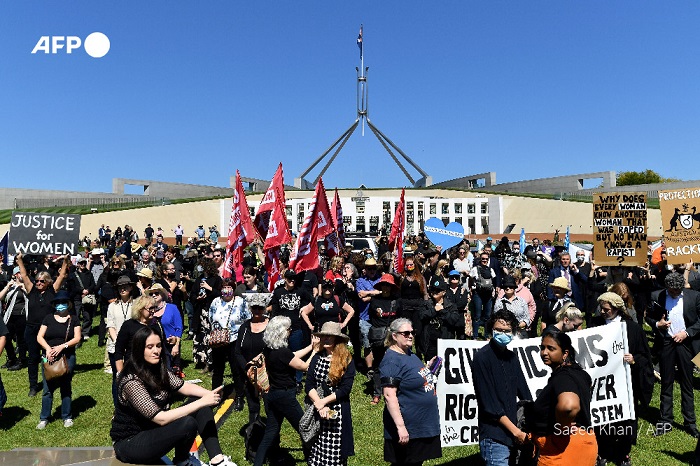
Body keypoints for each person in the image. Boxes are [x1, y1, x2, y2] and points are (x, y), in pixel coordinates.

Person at [111, 326, 236, 466]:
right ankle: (182, 461)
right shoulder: (131, 381)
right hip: (130, 442)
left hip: (151, 430)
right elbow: (161, 419)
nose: (156, 351)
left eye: (158, 346)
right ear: (139, 350)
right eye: (150, 347)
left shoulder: (158, 369)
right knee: (188, 422)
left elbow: (184, 386)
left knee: (199, 403)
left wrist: (209, 394)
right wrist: (202, 402)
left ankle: (217, 460)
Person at [593, 292, 654, 466]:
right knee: (603, 419)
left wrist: (634, 360)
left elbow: (645, 356)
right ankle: (603, 451)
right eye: (601, 309)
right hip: (602, 383)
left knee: (624, 420)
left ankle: (623, 454)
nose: (603, 312)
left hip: (626, 384)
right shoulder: (595, 324)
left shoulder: (632, 328)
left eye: (606, 309)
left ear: (616, 309)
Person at [253, 316, 319, 466]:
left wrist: (310, 347)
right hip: (285, 397)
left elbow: (292, 357)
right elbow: (305, 367)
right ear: (282, 332)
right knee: (305, 429)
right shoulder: (282, 352)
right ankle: (313, 459)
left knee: (270, 433)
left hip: (272, 396)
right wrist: (314, 352)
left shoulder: (270, 349)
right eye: (288, 329)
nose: (290, 331)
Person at [527, 330, 597, 465]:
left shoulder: (563, 377)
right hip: (585, 442)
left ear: (565, 353)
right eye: (542, 348)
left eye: (551, 348)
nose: (544, 353)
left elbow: (569, 406)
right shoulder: (581, 374)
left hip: (561, 450)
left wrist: (561, 430)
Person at [472, 310, 532, 465]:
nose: (503, 333)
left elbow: (525, 394)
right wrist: (516, 432)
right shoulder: (482, 358)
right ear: (492, 329)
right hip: (495, 435)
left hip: (516, 434)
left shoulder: (512, 358)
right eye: (499, 330)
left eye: (507, 331)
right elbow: (490, 405)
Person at [379, 318, 441, 466]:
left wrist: (428, 368)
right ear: (394, 336)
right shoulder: (391, 361)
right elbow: (389, 395)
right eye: (406, 333)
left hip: (421, 426)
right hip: (409, 427)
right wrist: (401, 427)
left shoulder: (409, 354)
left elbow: (411, 377)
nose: (411, 336)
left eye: (412, 332)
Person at [647, 271, 700, 438]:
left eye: (676, 291)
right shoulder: (657, 296)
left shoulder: (694, 296)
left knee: (687, 382)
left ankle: (690, 423)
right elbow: (647, 317)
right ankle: (665, 421)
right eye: (671, 291)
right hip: (666, 343)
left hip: (685, 343)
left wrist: (687, 333)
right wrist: (657, 324)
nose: (673, 294)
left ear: (681, 289)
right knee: (666, 382)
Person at [15, 253, 70, 397]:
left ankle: (51, 378)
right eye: (37, 280)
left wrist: (65, 261)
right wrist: (20, 260)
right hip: (32, 329)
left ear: (48, 282)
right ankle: (33, 386)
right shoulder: (31, 290)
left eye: (41, 281)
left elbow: (62, 275)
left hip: (47, 329)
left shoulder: (52, 291)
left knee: (49, 355)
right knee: (33, 358)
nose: (38, 283)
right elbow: (24, 275)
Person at [305, 322, 356, 466]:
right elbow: (309, 384)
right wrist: (319, 405)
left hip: (337, 411)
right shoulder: (317, 357)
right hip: (318, 410)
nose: (326, 339)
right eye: (324, 336)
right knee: (317, 449)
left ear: (337, 339)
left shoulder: (346, 359)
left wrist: (324, 402)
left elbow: (345, 389)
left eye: (330, 336)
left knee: (334, 454)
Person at [35, 291, 81, 429]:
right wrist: (48, 349)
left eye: (63, 303)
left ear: (68, 304)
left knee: (66, 387)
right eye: (58, 303)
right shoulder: (48, 318)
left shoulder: (74, 319)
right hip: (48, 357)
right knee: (47, 388)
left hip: (67, 357)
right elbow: (39, 337)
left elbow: (77, 338)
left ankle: (66, 416)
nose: (60, 305)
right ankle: (44, 418)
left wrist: (62, 346)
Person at [208, 278, 250, 411]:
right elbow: (210, 317)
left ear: (233, 288)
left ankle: (239, 396)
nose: (226, 290)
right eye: (224, 287)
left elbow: (247, 319)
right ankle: (215, 396)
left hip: (234, 339)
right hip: (219, 340)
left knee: (236, 370)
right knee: (218, 370)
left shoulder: (240, 302)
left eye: (229, 287)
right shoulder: (216, 301)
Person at [268, 270, 313, 392]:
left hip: (296, 328)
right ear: (284, 279)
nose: (292, 281)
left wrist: (304, 308)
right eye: (289, 278)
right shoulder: (278, 292)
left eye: (294, 278)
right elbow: (275, 311)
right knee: (283, 354)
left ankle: (298, 381)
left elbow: (312, 300)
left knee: (298, 353)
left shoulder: (300, 290)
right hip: (281, 330)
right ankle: (285, 377)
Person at [235, 293, 271, 425]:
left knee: (269, 406)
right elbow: (237, 352)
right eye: (254, 308)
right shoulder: (244, 327)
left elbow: (275, 349)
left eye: (260, 308)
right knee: (253, 407)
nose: (257, 311)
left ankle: (271, 435)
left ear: (264, 308)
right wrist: (247, 368)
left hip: (267, 374)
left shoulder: (271, 326)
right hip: (248, 374)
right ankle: (253, 434)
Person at [106, 275, 135, 405]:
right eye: (120, 287)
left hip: (134, 347)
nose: (122, 289)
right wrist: (119, 343)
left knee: (134, 378)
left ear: (131, 287)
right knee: (117, 377)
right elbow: (110, 326)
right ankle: (118, 407)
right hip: (115, 347)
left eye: (125, 286)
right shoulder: (112, 306)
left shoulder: (136, 304)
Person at [114, 295, 159, 374]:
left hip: (153, 370)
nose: (153, 311)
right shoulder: (129, 325)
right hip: (133, 370)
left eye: (154, 308)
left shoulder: (157, 325)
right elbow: (119, 350)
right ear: (140, 309)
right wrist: (120, 373)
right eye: (150, 308)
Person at [420, 277, 461, 359]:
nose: (434, 292)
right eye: (433, 290)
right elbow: (421, 315)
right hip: (430, 341)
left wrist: (442, 311)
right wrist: (434, 310)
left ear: (444, 292)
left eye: (438, 290)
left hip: (445, 341)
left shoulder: (451, 306)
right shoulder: (426, 304)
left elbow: (454, 320)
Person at [148, 284, 184, 373]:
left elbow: (179, 328)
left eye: (156, 293)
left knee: (172, 372)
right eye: (151, 294)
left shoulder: (172, 308)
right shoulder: (149, 310)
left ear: (162, 295)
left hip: (170, 344)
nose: (153, 295)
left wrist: (176, 346)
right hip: (155, 346)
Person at [0, 266, 28, 370]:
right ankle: (12, 358)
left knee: (21, 339)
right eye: (20, 273)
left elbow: (31, 297)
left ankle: (22, 360)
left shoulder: (27, 284)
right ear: (16, 275)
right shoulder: (10, 285)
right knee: (6, 337)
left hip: (22, 315)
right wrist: (7, 287)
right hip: (9, 315)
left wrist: (24, 288)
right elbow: (0, 297)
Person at [470, 251, 497, 339]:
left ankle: (486, 334)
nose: (484, 260)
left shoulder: (491, 270)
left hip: (488, 295)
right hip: (478, 294)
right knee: (477, 315)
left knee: (487, 315)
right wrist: (471, 288)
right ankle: (475, 335)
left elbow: (494, 280)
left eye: (486, 259)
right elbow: (470, 278)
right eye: (483, 259)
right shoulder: (475, 269)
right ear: (480, 259)